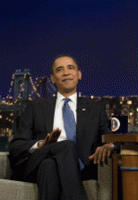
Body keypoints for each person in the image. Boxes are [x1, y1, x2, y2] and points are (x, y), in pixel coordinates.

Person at [8, 55, 114, 199]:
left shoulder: (96, 107)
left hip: (81, 167)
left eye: (71, 68)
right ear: (52, 78)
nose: (66, 72)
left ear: (79, 74)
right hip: (35, 163)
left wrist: (110, 145)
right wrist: (41, 144)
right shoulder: (35, 107)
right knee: (68, 146)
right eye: (59, 70)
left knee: (49, 167)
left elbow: (113, 137)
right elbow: (15, 146)